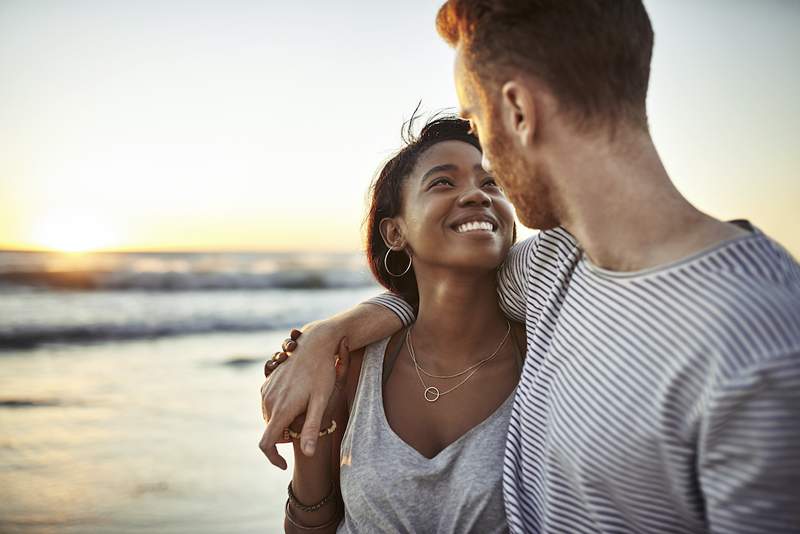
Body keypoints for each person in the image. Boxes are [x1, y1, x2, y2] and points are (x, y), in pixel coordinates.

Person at [261, 1, 800, 532]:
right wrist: (322, 339)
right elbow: (434, 300)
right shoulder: (549, 268)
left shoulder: (764, 344)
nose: (486, 170)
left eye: (476, 120)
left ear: (518, 111)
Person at [271, 115, 526, 533]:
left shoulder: (544, 354)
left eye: (491, 183)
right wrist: (309, 439)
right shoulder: (350, 368)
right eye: (444, 182)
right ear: (394, 232)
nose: (477, 195)